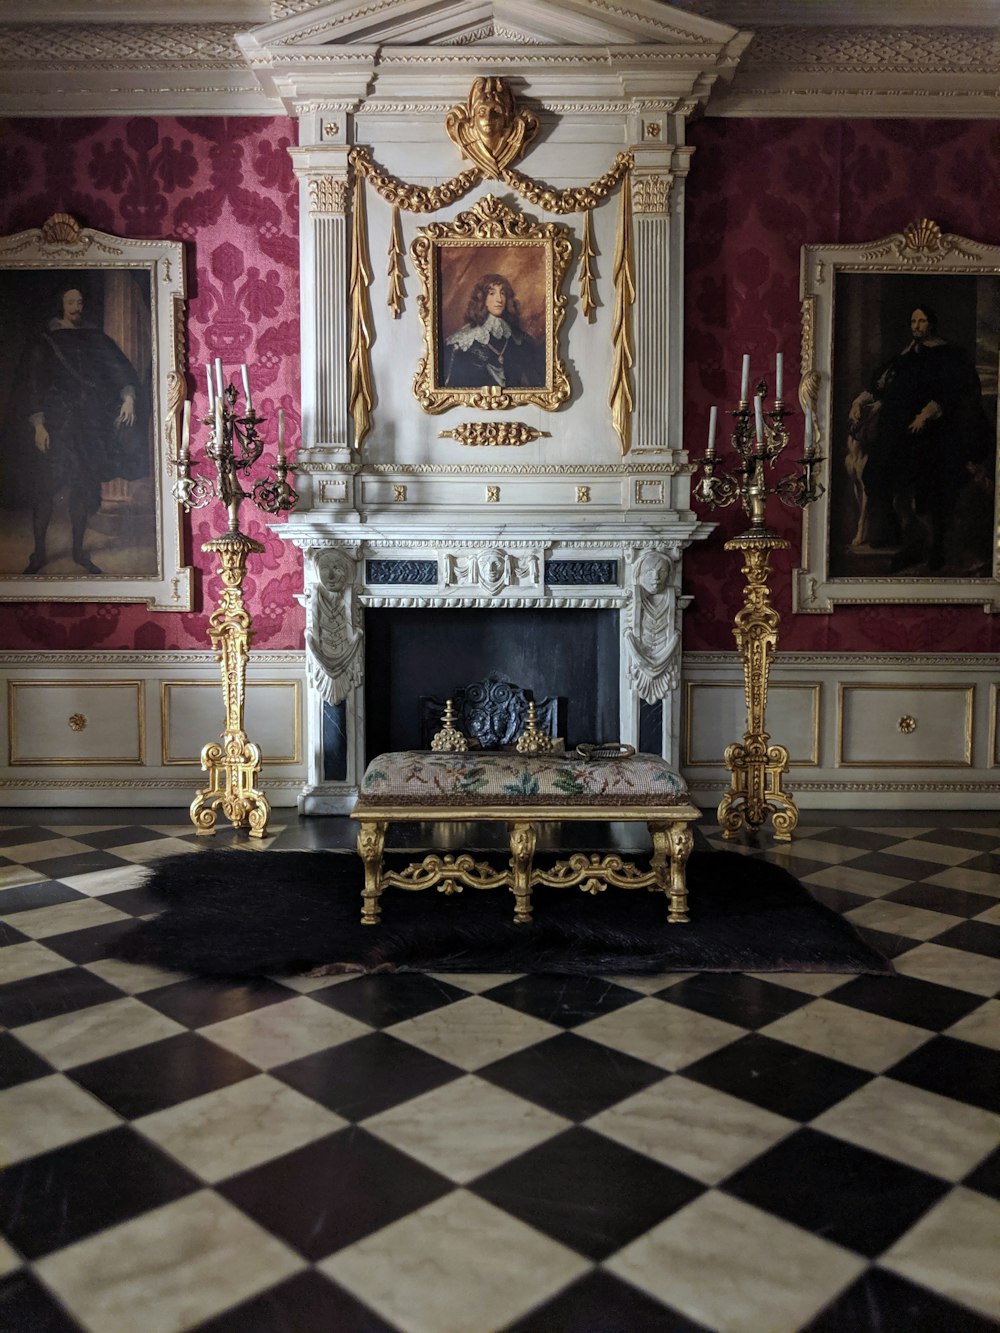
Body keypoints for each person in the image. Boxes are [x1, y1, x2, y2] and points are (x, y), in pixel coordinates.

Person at [847, 304, 993, 573]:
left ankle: (936, 547)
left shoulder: (949, 355)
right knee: (887, 483)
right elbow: (880, 384)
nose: (916, 326)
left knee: (927, 492)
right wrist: (860, 400)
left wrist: (926, 413)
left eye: (922, 321)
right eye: (913, 321)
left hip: (934, 435)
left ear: (932, 324)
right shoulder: (905, 355)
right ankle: (911, 544)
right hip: (899, 433)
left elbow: (956, 390)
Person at [16, 283, 147, 575]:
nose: (78, 307)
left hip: (88, 424)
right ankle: (39, 553)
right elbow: (35, 383)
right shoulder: (45, 339)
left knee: (80, 488)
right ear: (61, 305)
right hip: (56, 424)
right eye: (72, 302)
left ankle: (78, 552)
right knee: (45, 489)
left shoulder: (93, 336)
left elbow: (116, 367)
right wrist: (38, 425)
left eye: (80, 302)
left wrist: (128, 395)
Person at [442, 273, 545, 391]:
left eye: (502, 293)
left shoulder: (518, 338)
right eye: (492, 293)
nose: (499, 299)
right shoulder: (463, 341)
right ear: (482, 299)